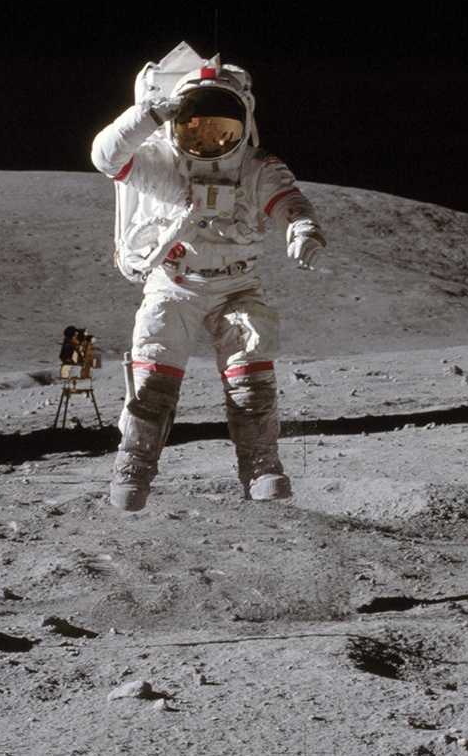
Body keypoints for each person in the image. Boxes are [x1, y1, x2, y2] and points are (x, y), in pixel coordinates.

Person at [91, 52, 325, 511]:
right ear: (178, 125)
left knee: (250, 380)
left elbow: (290, 203)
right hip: (175, 285)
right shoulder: (161, 162)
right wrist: (147, 116)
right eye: (195, 126)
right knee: (153, 381)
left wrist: (303, 229)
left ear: (243, 125)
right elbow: (105, 157)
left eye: (222, 129)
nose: (209, 138)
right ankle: (133, 470)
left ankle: (262, 467)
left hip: (236, 286)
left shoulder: (257, 168)